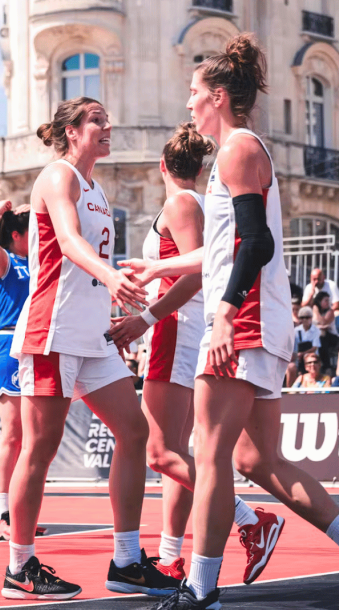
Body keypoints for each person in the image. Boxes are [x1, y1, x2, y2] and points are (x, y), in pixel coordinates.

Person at [121, 34, 339, 610]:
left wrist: (220, 317)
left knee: (211, 454)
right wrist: (157, 265)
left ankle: (200, 589)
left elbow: (256, 243)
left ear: (218, 96)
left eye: (194, 93)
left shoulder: (239, 150)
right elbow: (224, 247)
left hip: (241, 321)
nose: (188, 104)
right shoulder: (236, 154)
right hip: (257, 320)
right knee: (255, 459)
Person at [1, 97, 180, 602]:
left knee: (134, 430)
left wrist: (120, 278)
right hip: (52, 330)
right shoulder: (58, 177)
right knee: (40, 448)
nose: (108, 126)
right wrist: (110, 276)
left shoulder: (97, 188)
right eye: (97, 120)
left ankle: (126, 562)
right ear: (71, 131)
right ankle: (19, 567)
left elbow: (93, 254)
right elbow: (69, 241)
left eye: (107, 118)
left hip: (93, 334)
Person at [109, 123, 281, 586]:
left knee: (160, 454)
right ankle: (171, 553)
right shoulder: (205, 203)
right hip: (183, 328)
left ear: (162, 166)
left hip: (175, 328)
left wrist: (145, 318)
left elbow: (196, 272)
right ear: (203, 166)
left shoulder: (180, 203)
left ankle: (250, 520)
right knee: (176, 452)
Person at [0, 200, 47, 542]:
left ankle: (20, 510)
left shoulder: (36, 261)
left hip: (35, 346)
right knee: (12, 433)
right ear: (16, 235)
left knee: (32, 437)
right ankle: (2, 514)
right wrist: (1, 209)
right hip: (9, 349)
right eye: (29, 229)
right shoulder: (4, 263)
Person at [288, 306, 321, 386]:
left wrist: (303, 354)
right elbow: (293, 347)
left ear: (311, 318)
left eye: (307, 317)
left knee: (311, 361)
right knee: (290, 367)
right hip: (298, 358)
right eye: (302, 318)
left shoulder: (316, 330)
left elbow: (315, 347)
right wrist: (297, 355)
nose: (304, 320)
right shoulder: (296, 331)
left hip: (312, 357)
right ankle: (289, 391)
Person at [313, 291, 338, 370]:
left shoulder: (330, 312)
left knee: (322, 338)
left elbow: (323, 322)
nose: (328, 302)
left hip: (332, 337)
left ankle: (327, 366)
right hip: (317, 335)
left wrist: (316, 311)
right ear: (320, 301)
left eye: (329, 300)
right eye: (326, 300)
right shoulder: (313, 311)